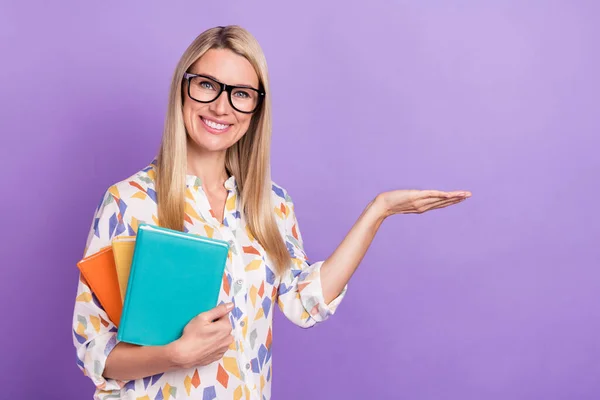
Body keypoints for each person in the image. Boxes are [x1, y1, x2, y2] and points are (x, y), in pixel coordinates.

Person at [72, 25, 471, 400]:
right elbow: (93, 350)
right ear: (183, 90)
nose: (221, 107)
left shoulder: (271, 204)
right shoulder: (128, 201)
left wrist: (379, 210)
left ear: (256, 109)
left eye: (241, 93)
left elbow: (304, 302)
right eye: (207, 86)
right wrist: (175, 356)